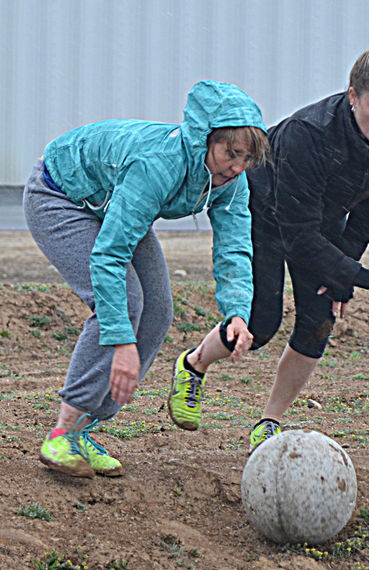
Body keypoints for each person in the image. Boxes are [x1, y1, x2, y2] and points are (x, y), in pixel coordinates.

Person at [24, 80, 269, 478]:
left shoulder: (231, 181)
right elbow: (108, 256)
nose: (238, 167)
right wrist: (121, 341)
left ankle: (85, 430)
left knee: (156, 312)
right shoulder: (158, 165)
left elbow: (234, 247)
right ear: (203, 139)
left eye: (247, 158)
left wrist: (237, 314)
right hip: (59, 195)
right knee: (122, 302)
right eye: (231, 153)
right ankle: (61, 434)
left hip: (109, 203)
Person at [243, 29, 369, 451]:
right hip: (265, 212)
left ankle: (268, 423)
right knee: (260, 326)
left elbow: (366, 219)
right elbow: (296, 234)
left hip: (316, 219)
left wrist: (341, 275)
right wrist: (364, 277)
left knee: (318, 322)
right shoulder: (307, 134)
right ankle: (195, 364)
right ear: (353, 96)